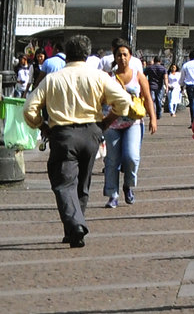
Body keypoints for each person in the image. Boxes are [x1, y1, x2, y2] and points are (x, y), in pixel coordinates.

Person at [24, 36, 137, 247]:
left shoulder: (53, 79)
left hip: (63, 134)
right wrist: (106, 122)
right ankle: (75, 228)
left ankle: (75, 224)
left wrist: (42, 126)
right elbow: (124, 101)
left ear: (67, 54)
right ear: (87, 53)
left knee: (64, 182)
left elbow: (29, 108)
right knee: (83, 182)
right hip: (91, 133)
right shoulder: (99, 76)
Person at [100, 41, 157, 207]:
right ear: (115, 58)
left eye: (125, 54)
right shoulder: (109, 78)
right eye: (119, 55)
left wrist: (153, 118)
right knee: (112, 160)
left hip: (133, 123)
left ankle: (128, 185)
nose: (122, 58)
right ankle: (112, 195)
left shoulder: (138, 75)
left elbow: (147, 97)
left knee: (131, 157)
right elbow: (102, 100)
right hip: (112, 124)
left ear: (130, 56)